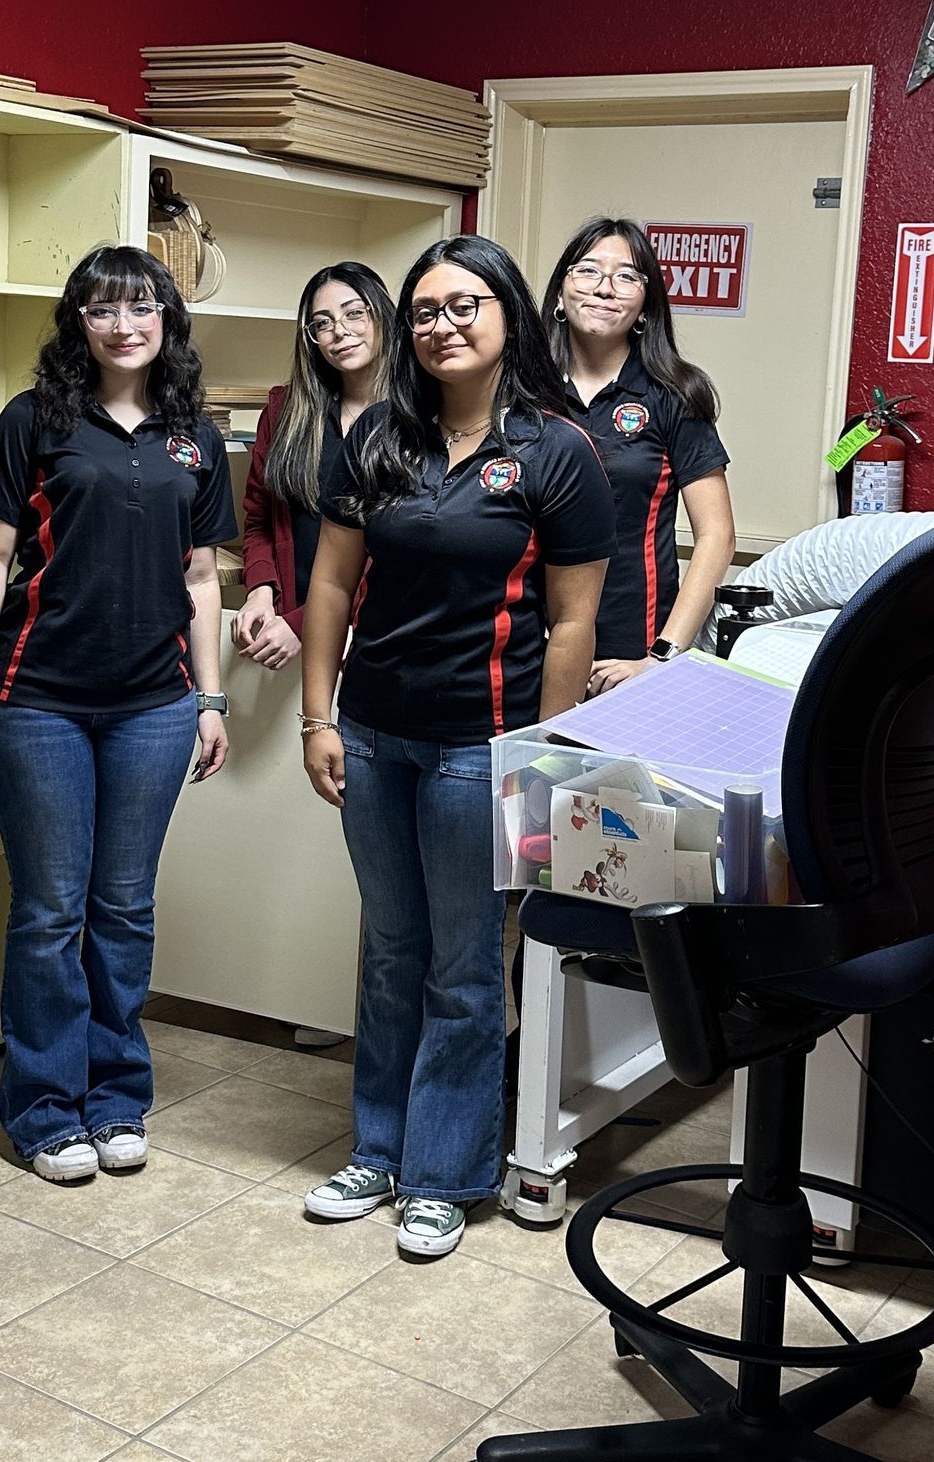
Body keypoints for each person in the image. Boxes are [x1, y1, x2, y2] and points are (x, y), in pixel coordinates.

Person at [298, 235, 615, 1256]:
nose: (443, 325)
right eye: (426, 310)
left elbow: (572, 624)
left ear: (508, 316)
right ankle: (378, 1150)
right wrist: (317, 714)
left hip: (482, 748)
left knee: (466, 967)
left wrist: (542, 755)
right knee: (391, 953)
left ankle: (445, 1173)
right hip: (376, 734)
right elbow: (334, 586)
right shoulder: (380, 440)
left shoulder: (557, 453)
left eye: (464, 305)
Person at [0, 244, 235, 1183]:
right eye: (104, 310)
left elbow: (202, 577)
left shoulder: (194, 435)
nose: (125, 325)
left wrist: (210, 697)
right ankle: (42, 1110)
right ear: (79, 323)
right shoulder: (34, 422)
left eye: (142, 307)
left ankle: (116, 1099)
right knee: (47, 912)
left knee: (124, 908)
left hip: (155, 706)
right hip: (38, 702)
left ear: (167, 321)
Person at [234, 262, 398, 1051]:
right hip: (289, 626)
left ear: (383, 317)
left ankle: (346, 1002)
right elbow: (261, 509)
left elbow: (390, 550)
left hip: (374, 633)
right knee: (286, 819)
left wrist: (304, 621)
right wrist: (264, 589)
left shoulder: (416, 413)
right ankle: (301, 989)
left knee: (353, 829)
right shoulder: (287, 406)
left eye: (353, 314)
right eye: (321, 322)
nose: (338, 333)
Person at [542, 218, 736, 694]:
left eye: (626, 276)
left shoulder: (674, 394)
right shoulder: (523, 391)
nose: (605, 288)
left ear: (647, 306)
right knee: (523, 771)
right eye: (587, 271)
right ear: (561, 294)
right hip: (529, 645)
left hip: (629, 650)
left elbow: (717, 535)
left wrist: (661, 656)